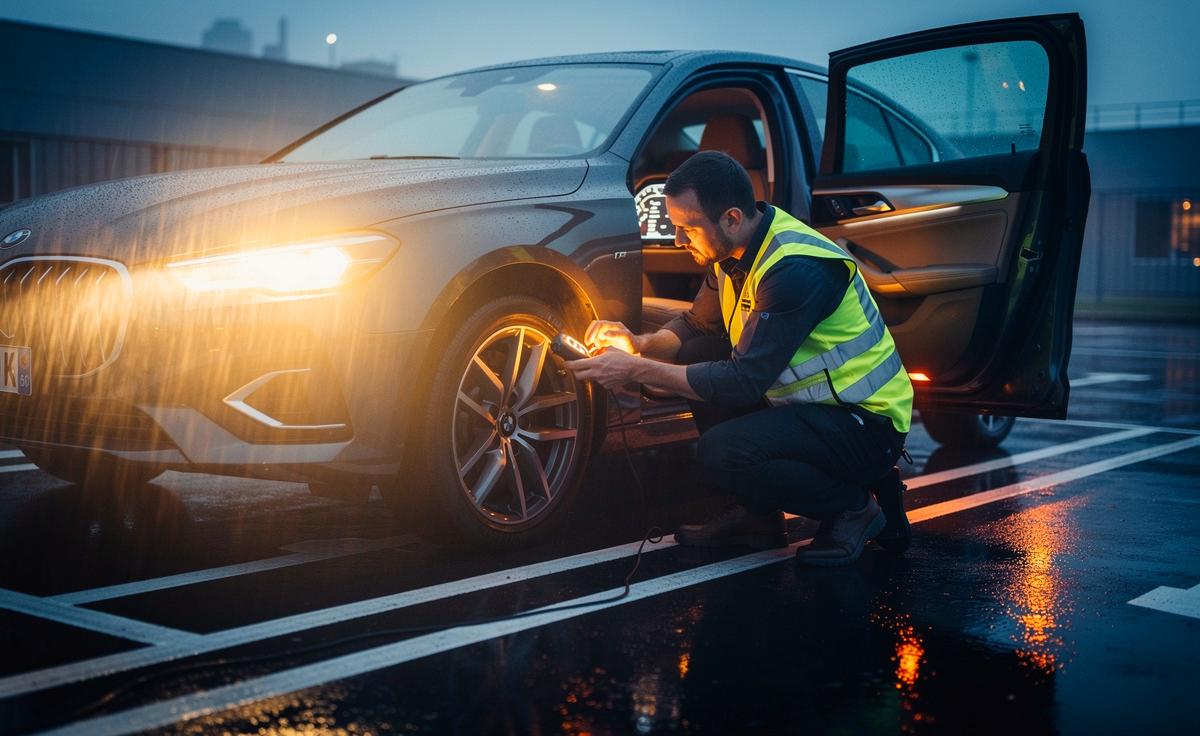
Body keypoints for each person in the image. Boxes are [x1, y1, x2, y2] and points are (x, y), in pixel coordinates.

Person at [565, 151, 912, 566]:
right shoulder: (732, 253)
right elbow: (694, 326)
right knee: (697, 350)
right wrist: (635, 344)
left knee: (722, 453)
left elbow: (743, 382)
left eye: (686, 228)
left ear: (730, 218)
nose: (678, 241)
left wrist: (634, 370)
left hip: (865, 425)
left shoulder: (795, 269)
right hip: (815, 413)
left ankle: (853, 507)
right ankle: (758, 520)